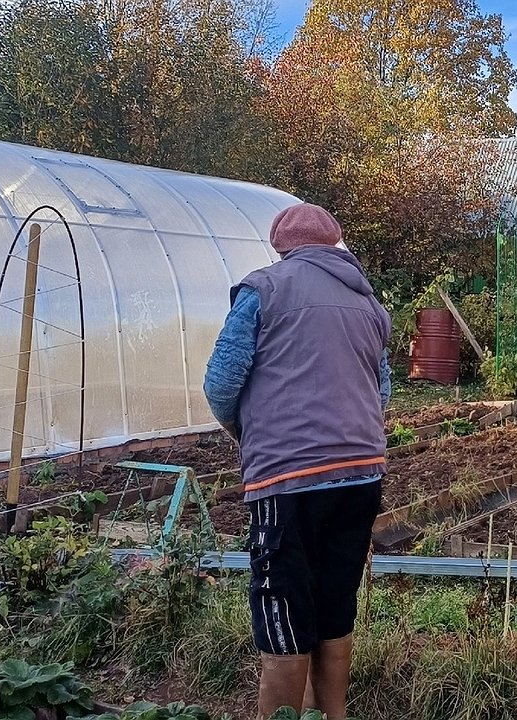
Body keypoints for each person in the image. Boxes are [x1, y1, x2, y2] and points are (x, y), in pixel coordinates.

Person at [203, 203, 391, 720]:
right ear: (335, 243)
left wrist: (247, 433)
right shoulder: (369, 302)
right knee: (334, 610)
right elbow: (381, 392)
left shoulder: (263, 290)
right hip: (361, 475)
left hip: (288, 480)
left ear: (281, 246)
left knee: (281, 618)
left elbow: (221, 382)